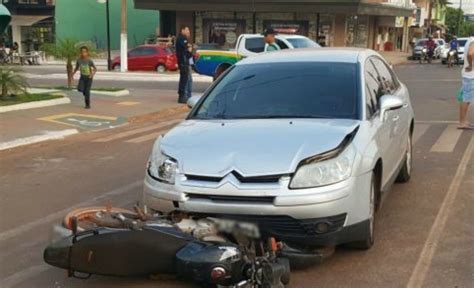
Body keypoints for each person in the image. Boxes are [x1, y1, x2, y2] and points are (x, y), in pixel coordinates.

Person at [459, 36, 474, 129]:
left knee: (466, 99)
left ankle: (463, 121)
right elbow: (470, 54)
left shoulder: (471, 40)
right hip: (471, 75)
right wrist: (471, 65)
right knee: (466, 99)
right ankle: (462, 122)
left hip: (469, 75)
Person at [176, 25, 193, 104]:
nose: (188, 32)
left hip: (187, 62)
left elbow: (189, 51)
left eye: (188, 30)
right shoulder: (181, 38)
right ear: (182, 30)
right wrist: (189, 48)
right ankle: (183, 96)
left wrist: (192, 63)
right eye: (187, 30)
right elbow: (187, 49)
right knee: (184, 79)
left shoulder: (186, 39)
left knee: (189, 79)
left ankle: (189, 95)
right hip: (183, 62)